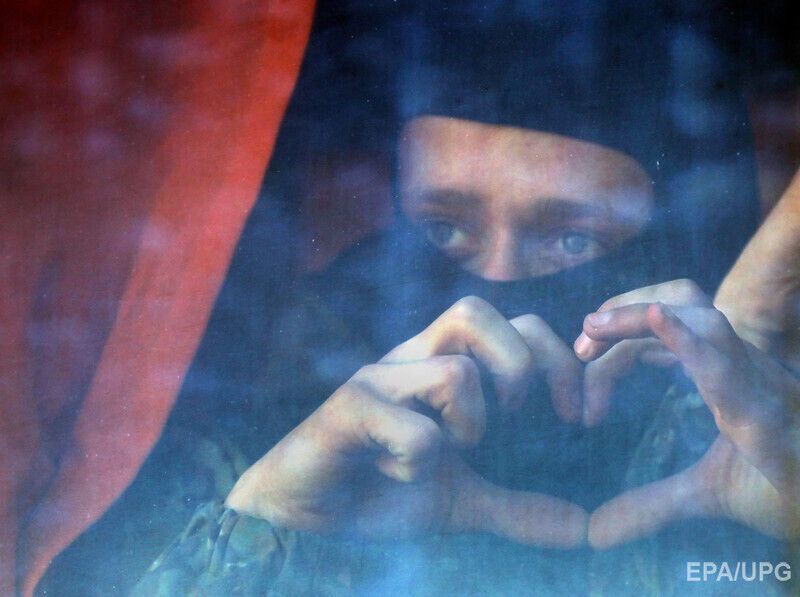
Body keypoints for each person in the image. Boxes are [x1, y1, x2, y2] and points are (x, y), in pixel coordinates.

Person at [39, 3, 799, 595]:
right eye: (444, 230)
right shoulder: (252, 444)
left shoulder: (768, 449)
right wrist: (271, 533)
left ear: (681, 249)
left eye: (572, 241)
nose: (494, 294)